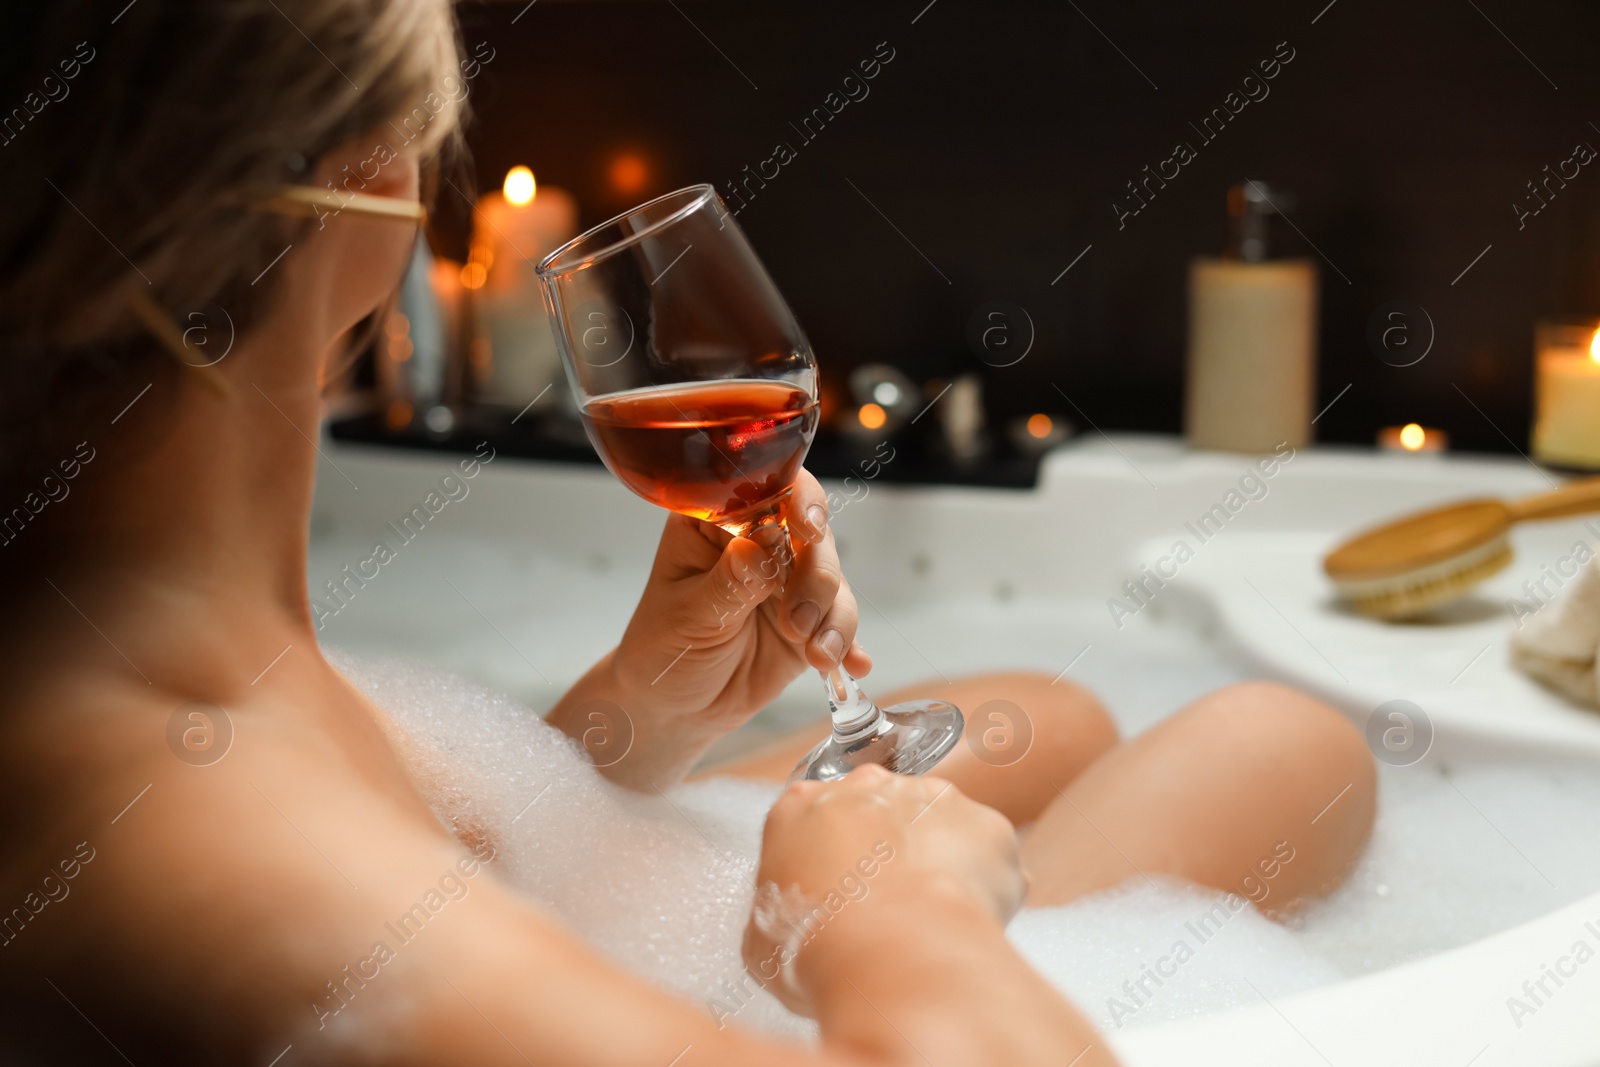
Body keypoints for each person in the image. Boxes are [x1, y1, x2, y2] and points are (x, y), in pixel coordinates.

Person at [0, 3, 1375, 1064]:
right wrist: (891, 919)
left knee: (1050, 713)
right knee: (1284, 743)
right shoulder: (154, 836)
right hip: (796, 987)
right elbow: (331, 875)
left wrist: (634, 721)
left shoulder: (147, 662)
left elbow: (419, 848)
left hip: (623, 939)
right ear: (349, 169)